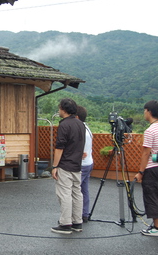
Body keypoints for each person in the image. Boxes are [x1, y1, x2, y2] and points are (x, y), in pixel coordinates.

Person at [51, 98, 85, 234]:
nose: (59, 110)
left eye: (60, 108)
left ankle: (65, 223)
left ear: (63, 110)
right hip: (77, 164)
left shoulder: (64, 125)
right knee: (77, 193)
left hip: (65, 164)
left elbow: (59, 147)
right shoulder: (80, 124)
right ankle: (77, 222)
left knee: (64, 194)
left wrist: (54, 166)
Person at [135, 100, 158, 236]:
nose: (144, 113)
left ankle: (156, 227)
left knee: (152, 197)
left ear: (149, 111)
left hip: (152, 170)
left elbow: (146, 153)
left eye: (144, 110)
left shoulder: (150, 130)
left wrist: (140, 172)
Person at [76, 106, 94, 223]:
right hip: (89, 162)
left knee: (75, 190)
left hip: (82, 164)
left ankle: (76, 216)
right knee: (84, 190)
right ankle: (84, 213)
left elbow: (78, 149)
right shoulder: (87, 128)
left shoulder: (80, 130)